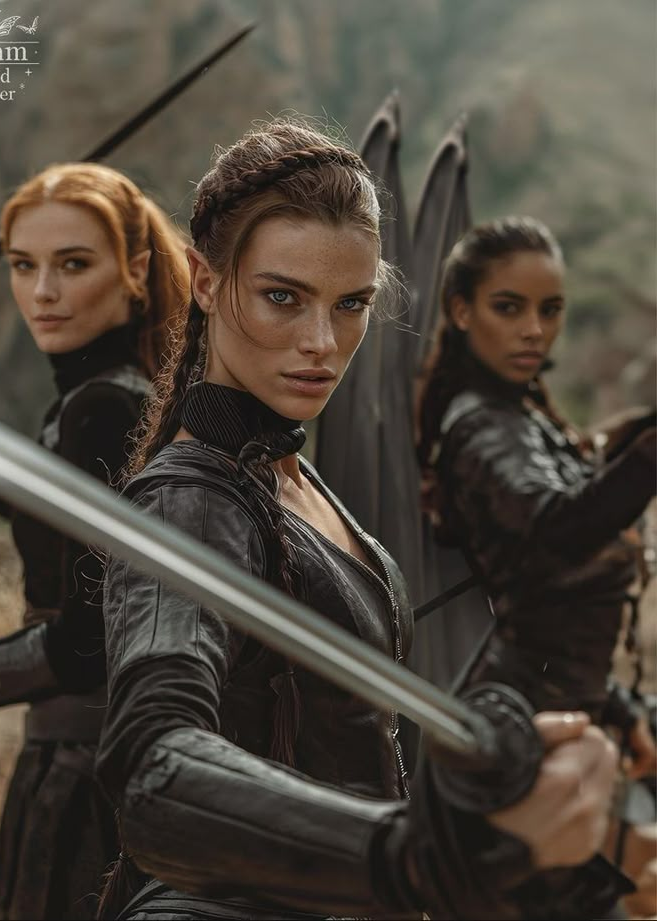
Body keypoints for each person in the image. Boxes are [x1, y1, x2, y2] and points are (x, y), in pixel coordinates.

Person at [94, 120, 620, 921]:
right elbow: (149, 769)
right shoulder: (188, 503)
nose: (322, 343)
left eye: (351, 304)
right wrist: (415, 855)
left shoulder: (301, 486)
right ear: (204, 281)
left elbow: (361, 757)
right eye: (283, 296)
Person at [0, 162, 190, 920]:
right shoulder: (103, 397)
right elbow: (50, 518)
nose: (42, 292)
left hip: (85, 772)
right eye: (23, 266)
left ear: (135, 271)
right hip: (86, 761)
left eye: (74, 264)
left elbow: (84, 639)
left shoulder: (104, 406)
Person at [416, 216, 657, 775]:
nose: (534, 330)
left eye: (550, 310)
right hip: (517, 732)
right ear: (461, 311)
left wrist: (617, 711)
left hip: (563, 715)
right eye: (509, 307)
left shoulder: (521, 417)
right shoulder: (482, 428)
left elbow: (550, 606)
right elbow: (558, 530)